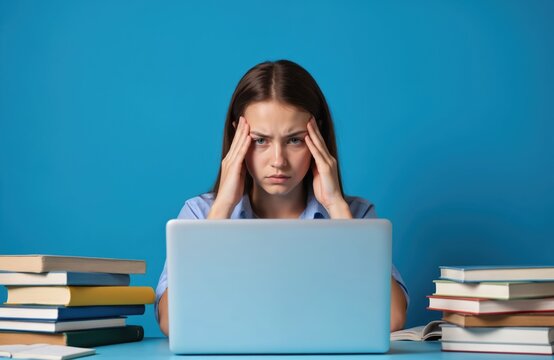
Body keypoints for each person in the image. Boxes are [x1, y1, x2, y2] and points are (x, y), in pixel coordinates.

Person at [155, 60, 408, 336]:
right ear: (237, 137)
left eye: (295, 140)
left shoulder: (355, 216)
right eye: (260, 140)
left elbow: (393, 318)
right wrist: (222, 209)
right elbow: (171, 322)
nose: (278, 161)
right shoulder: (200, 215)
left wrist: (336, 206)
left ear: (317, 139)